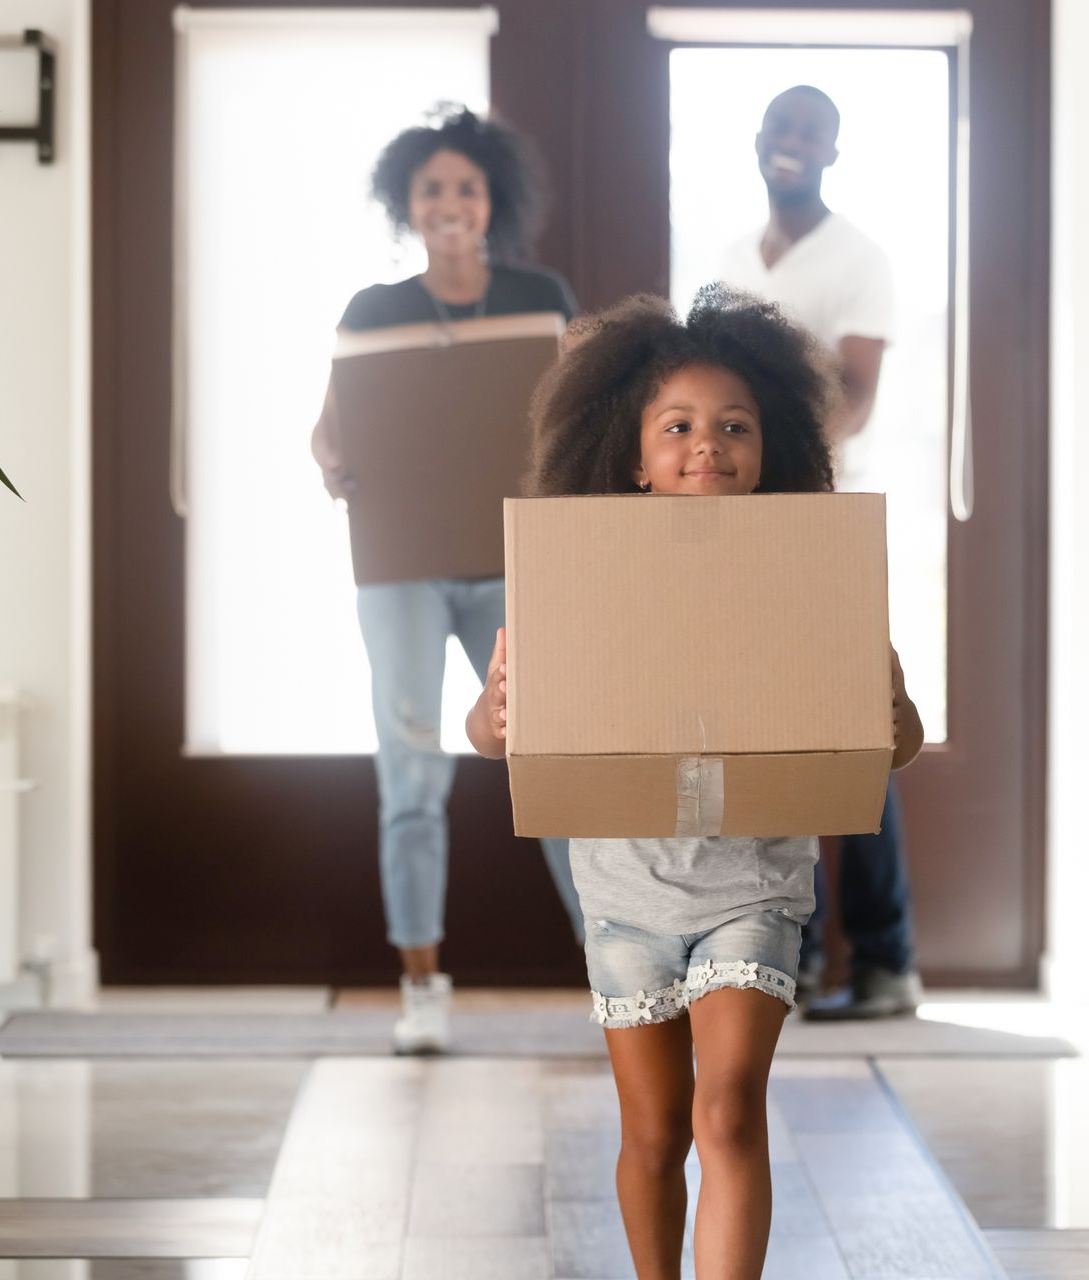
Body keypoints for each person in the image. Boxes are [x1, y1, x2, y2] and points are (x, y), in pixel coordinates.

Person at [466, 287, 925, 1280]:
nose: (705, 445)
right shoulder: (579, 571)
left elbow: (893, 741)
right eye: (677, 426)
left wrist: (893, 713)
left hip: (755, 885)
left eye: (733, 427)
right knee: (653, 1130)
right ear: (633, 454)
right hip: (624, 895)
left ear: (770, 450)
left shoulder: (807, 570)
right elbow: (497, 730)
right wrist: (494, 715)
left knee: (729, 1111)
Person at [310, 106, 582, 1055]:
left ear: (492, 198)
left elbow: (584, 418)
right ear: (408, 203)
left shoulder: (542, 295)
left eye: (466, 186)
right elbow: (329, 430)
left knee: (556, 763)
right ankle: (422, 988)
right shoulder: (372, 310)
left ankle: (619, 977)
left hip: (514, 563)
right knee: (412, 776)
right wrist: (333, 463)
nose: (450, 203)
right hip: (403, 573)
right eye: (432, 189)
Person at [717, 84, 921, 1019]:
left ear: (832, 153)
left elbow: (858, 397)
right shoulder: (727, 263)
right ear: (758, 142)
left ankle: (884, 962)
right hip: (741, 533)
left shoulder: (858, 259)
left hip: (826, 521)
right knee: (772, 737)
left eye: (810, 133)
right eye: (779, 128)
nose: (790, 144)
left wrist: (789, 472)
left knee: (854, 733)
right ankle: (794, 959)